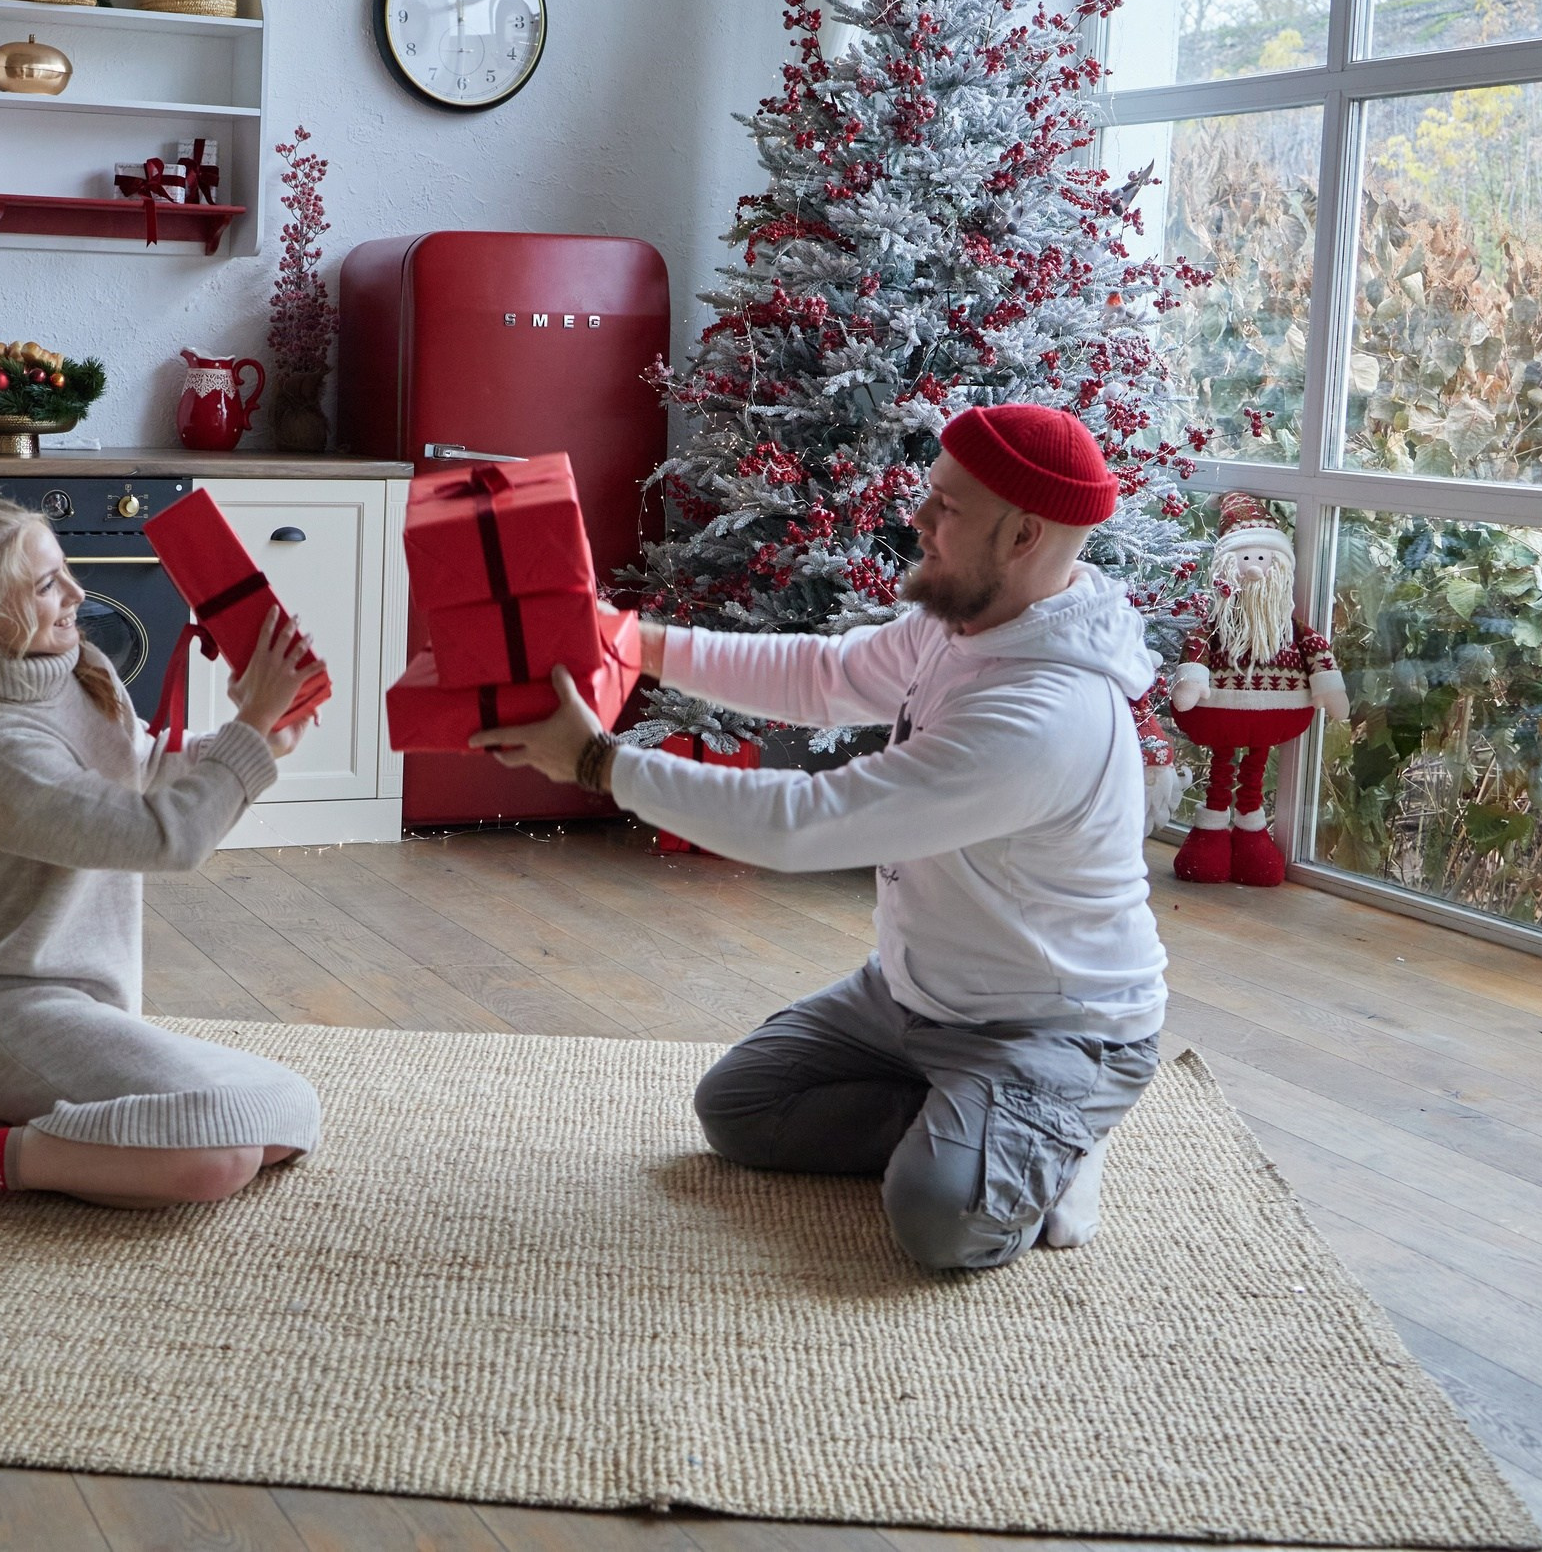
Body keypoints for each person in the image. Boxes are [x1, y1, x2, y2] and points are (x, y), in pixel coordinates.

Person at [473, 403, 1167, 1272]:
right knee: (739, 1109)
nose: (917, 516)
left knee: (938, 1218)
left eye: (945, 507)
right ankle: (977, 1127)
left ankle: (1046, 1147)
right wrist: (637, 642)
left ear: (1023, 536)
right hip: (918, 995)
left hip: (1051, 1027)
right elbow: (827, 675)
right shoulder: (967, 620)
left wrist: (596, 764)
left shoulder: (1041, 717)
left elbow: (806, 825)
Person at [0, 472, 325, 1221]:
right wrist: (249, 731)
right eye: (48, 586)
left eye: (65, 573)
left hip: (99, 1007)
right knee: (219, 1154)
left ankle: (51, 1141)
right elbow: (163, 837)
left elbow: (144, 775)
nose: (77, 596)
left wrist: (261, 736)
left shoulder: (84, 672)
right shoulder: (1, 751)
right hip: (12, 1017)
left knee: (288, 1110)